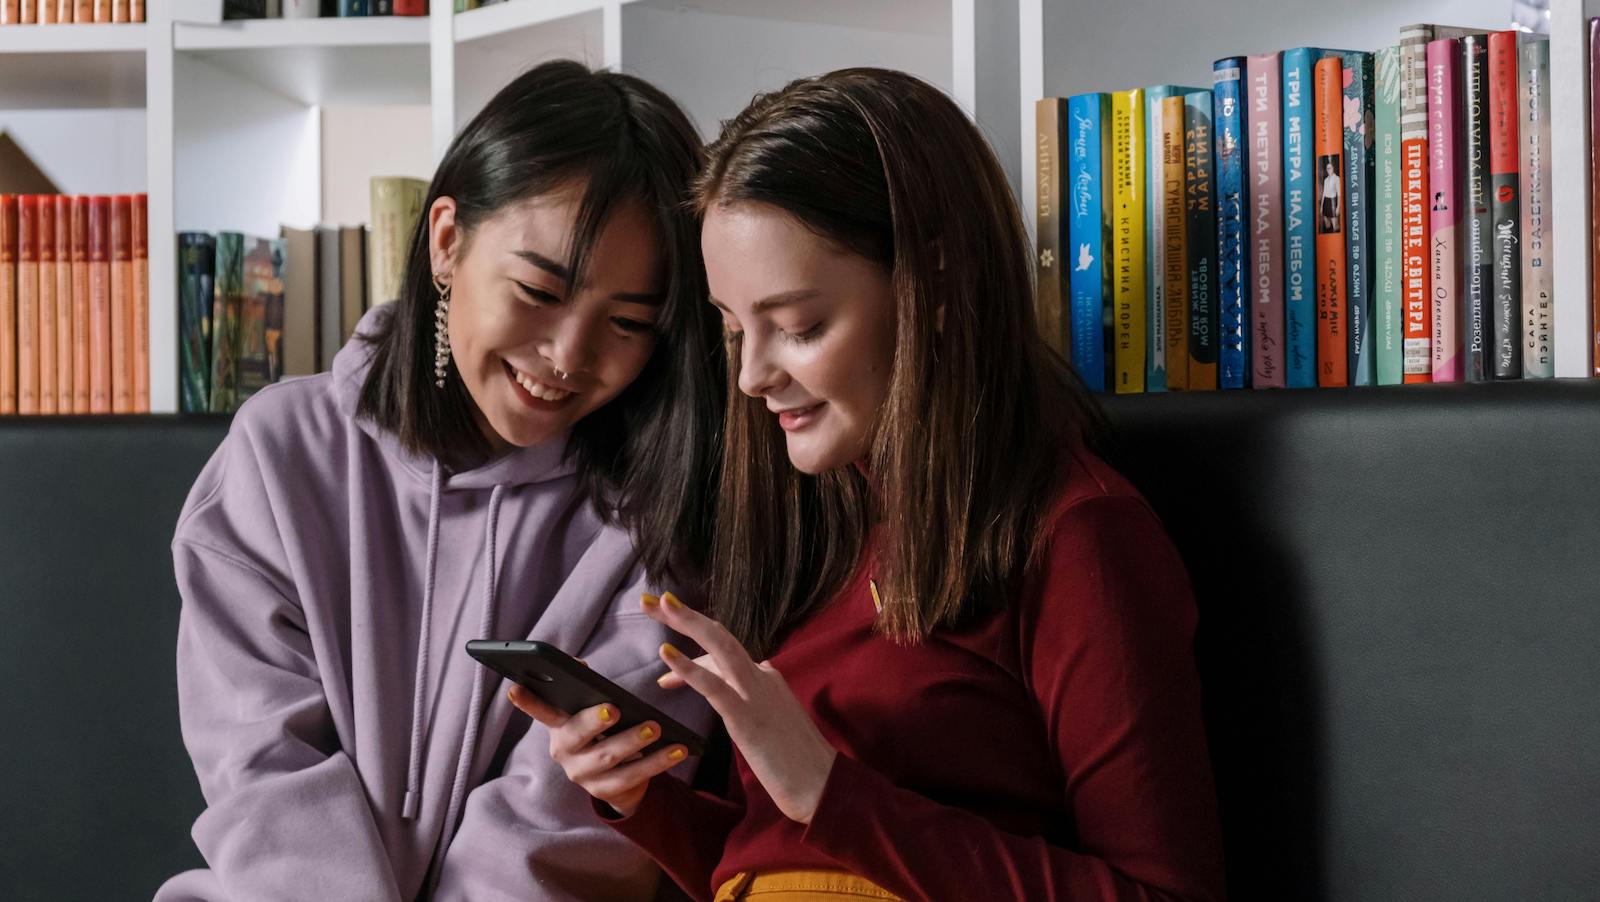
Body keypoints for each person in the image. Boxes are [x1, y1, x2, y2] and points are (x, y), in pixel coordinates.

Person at [513, 68, 1226, 901]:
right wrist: (639, 800)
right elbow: (787, 862)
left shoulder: (1079, 538)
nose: (749, 376)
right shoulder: (814, 526)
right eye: (733, 328)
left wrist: (827, 790)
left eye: (799, 326)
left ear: (937, 289)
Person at [157, 60, 723, 901]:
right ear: (447, 239)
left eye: (628, 323)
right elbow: (262, 774)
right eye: (538, 291)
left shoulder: (661, 511)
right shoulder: (280, 456)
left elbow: (562, 833)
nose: (568, 356)